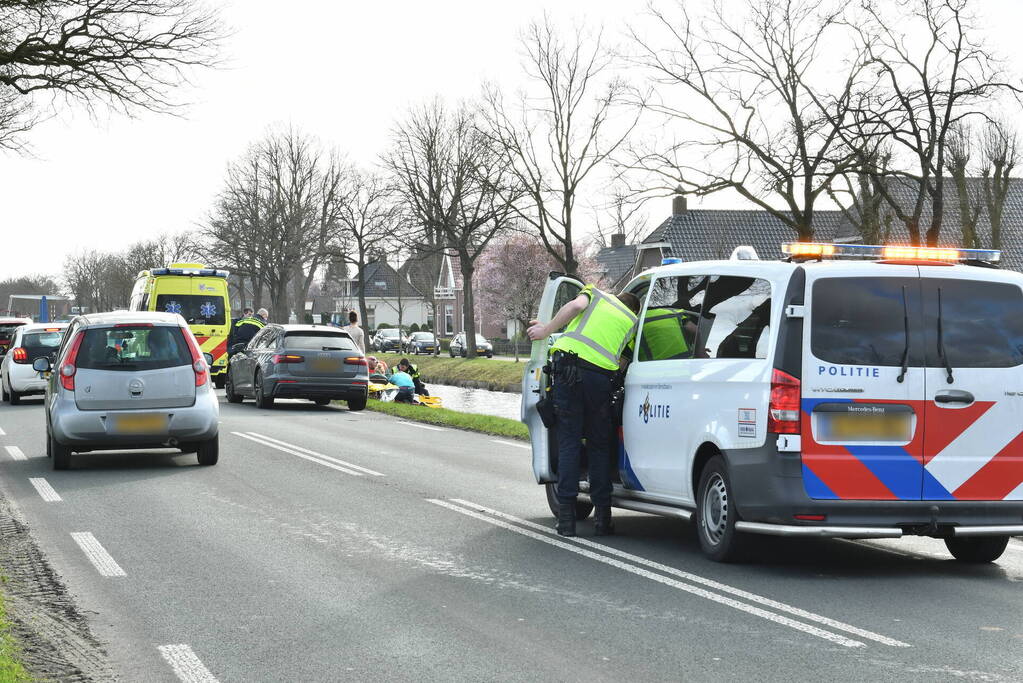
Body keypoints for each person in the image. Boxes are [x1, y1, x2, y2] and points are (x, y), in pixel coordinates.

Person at [526, 285, 641, 538]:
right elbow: (624, 361)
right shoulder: (633, 323)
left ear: (616, 296)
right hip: (600, 380)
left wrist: (545, 329)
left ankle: (566, 520)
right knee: (599, 446)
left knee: (569, 442)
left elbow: (575, 307)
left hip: (569, 372)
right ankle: (603, 519)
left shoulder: (596, 294)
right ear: (635, 308)